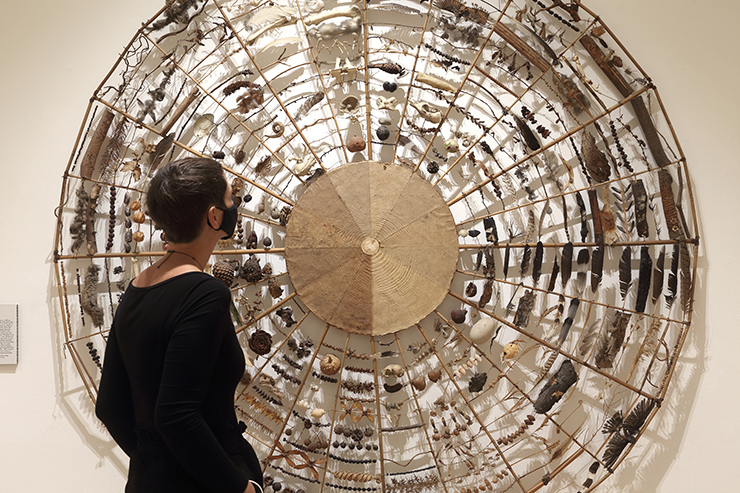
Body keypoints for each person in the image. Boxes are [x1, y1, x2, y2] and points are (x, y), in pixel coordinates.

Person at [96, 157, 264, 493]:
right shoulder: (204, 293)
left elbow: (110, 406)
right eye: (231, 198)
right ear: (214, 216)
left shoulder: (138, 287)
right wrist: (238, 488)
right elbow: (175, 415)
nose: (234, 206)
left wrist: (157, 463)